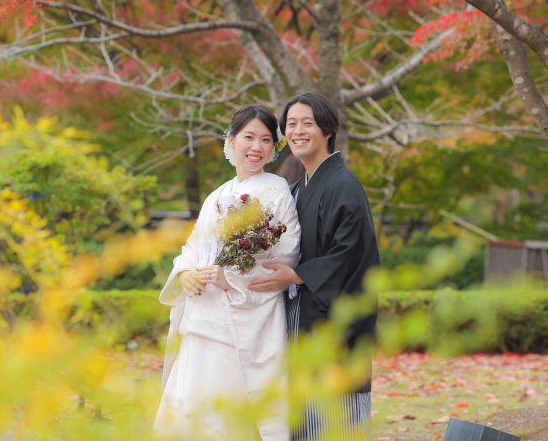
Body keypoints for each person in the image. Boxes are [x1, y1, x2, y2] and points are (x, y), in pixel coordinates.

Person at [154, 105, 302, 441]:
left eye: (266, 140)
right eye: (248, 137)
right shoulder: (217, 195)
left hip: (241, 318)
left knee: (226, 414)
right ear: (231, 140)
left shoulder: (276, 190)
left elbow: (286, 252)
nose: (257, 147)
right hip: (202, 315)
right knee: (190, 408)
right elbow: (192, 245)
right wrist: (187, 273)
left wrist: (232, 279)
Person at [248, 92, 379, 440]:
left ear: (328, 129)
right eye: (291, 124)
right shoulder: (297, 188)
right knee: (303, 422)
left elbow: (349, 254)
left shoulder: (343, 185)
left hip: (336, 324)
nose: (298, 131)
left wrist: (297, 275)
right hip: (302, 316)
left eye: (308, 123)